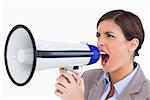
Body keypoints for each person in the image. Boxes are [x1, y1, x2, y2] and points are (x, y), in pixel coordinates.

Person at [54, 9, 150, 100]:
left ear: (133, 45)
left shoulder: (147, 94)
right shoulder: (88, 78)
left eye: (109, 35)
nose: (100, 42)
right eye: (98, 35)